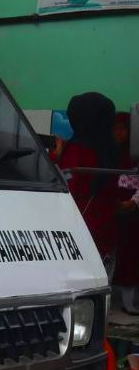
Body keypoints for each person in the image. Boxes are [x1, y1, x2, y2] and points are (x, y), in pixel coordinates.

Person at [56, 92, 121, 264]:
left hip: (78, 237)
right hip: (105, 234)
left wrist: (56, 156)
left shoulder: (79, 149)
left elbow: (64, 183)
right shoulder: (112, 146)